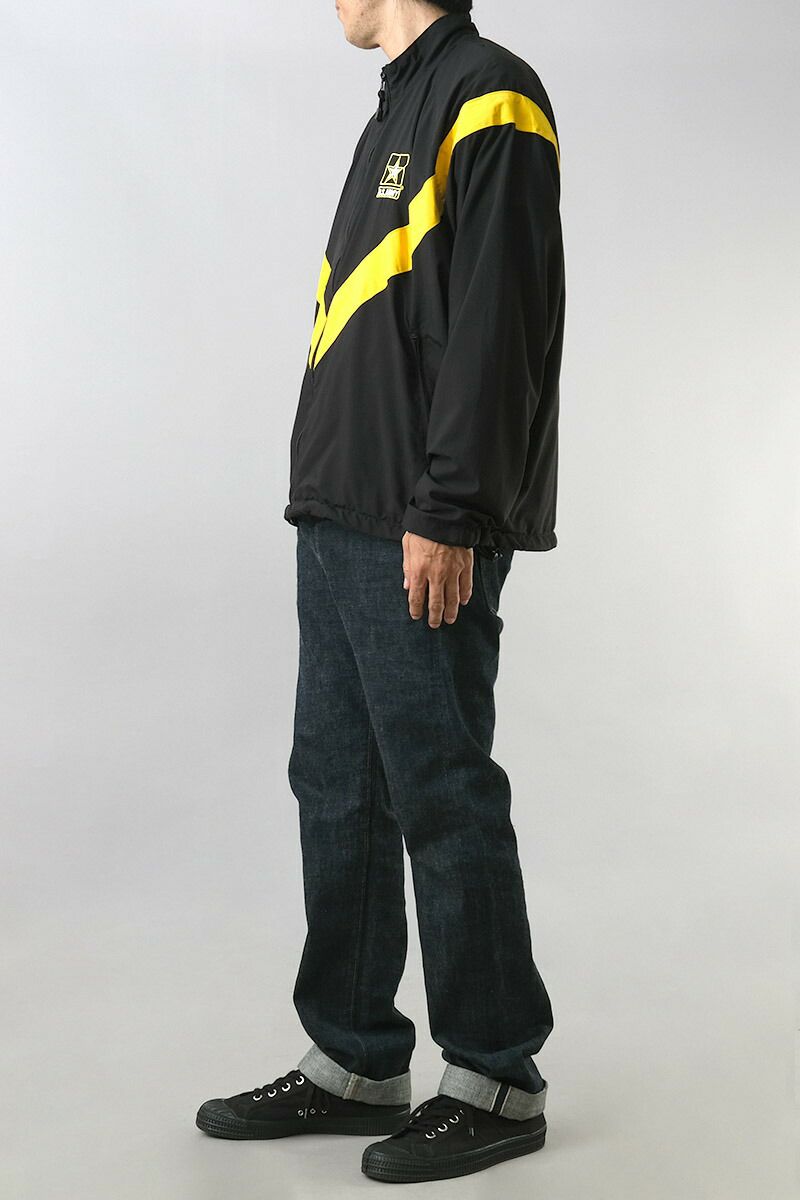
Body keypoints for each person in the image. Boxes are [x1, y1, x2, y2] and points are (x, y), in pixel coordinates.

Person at [196, 0, 565, 1183]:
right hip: (341, 508)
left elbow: (498, 324)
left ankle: (495, 1077)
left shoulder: (489, 93)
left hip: (417, 518)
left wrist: (450, 510)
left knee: (440, 791)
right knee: (338, 789)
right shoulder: (392, 111)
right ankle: (354, 1058)